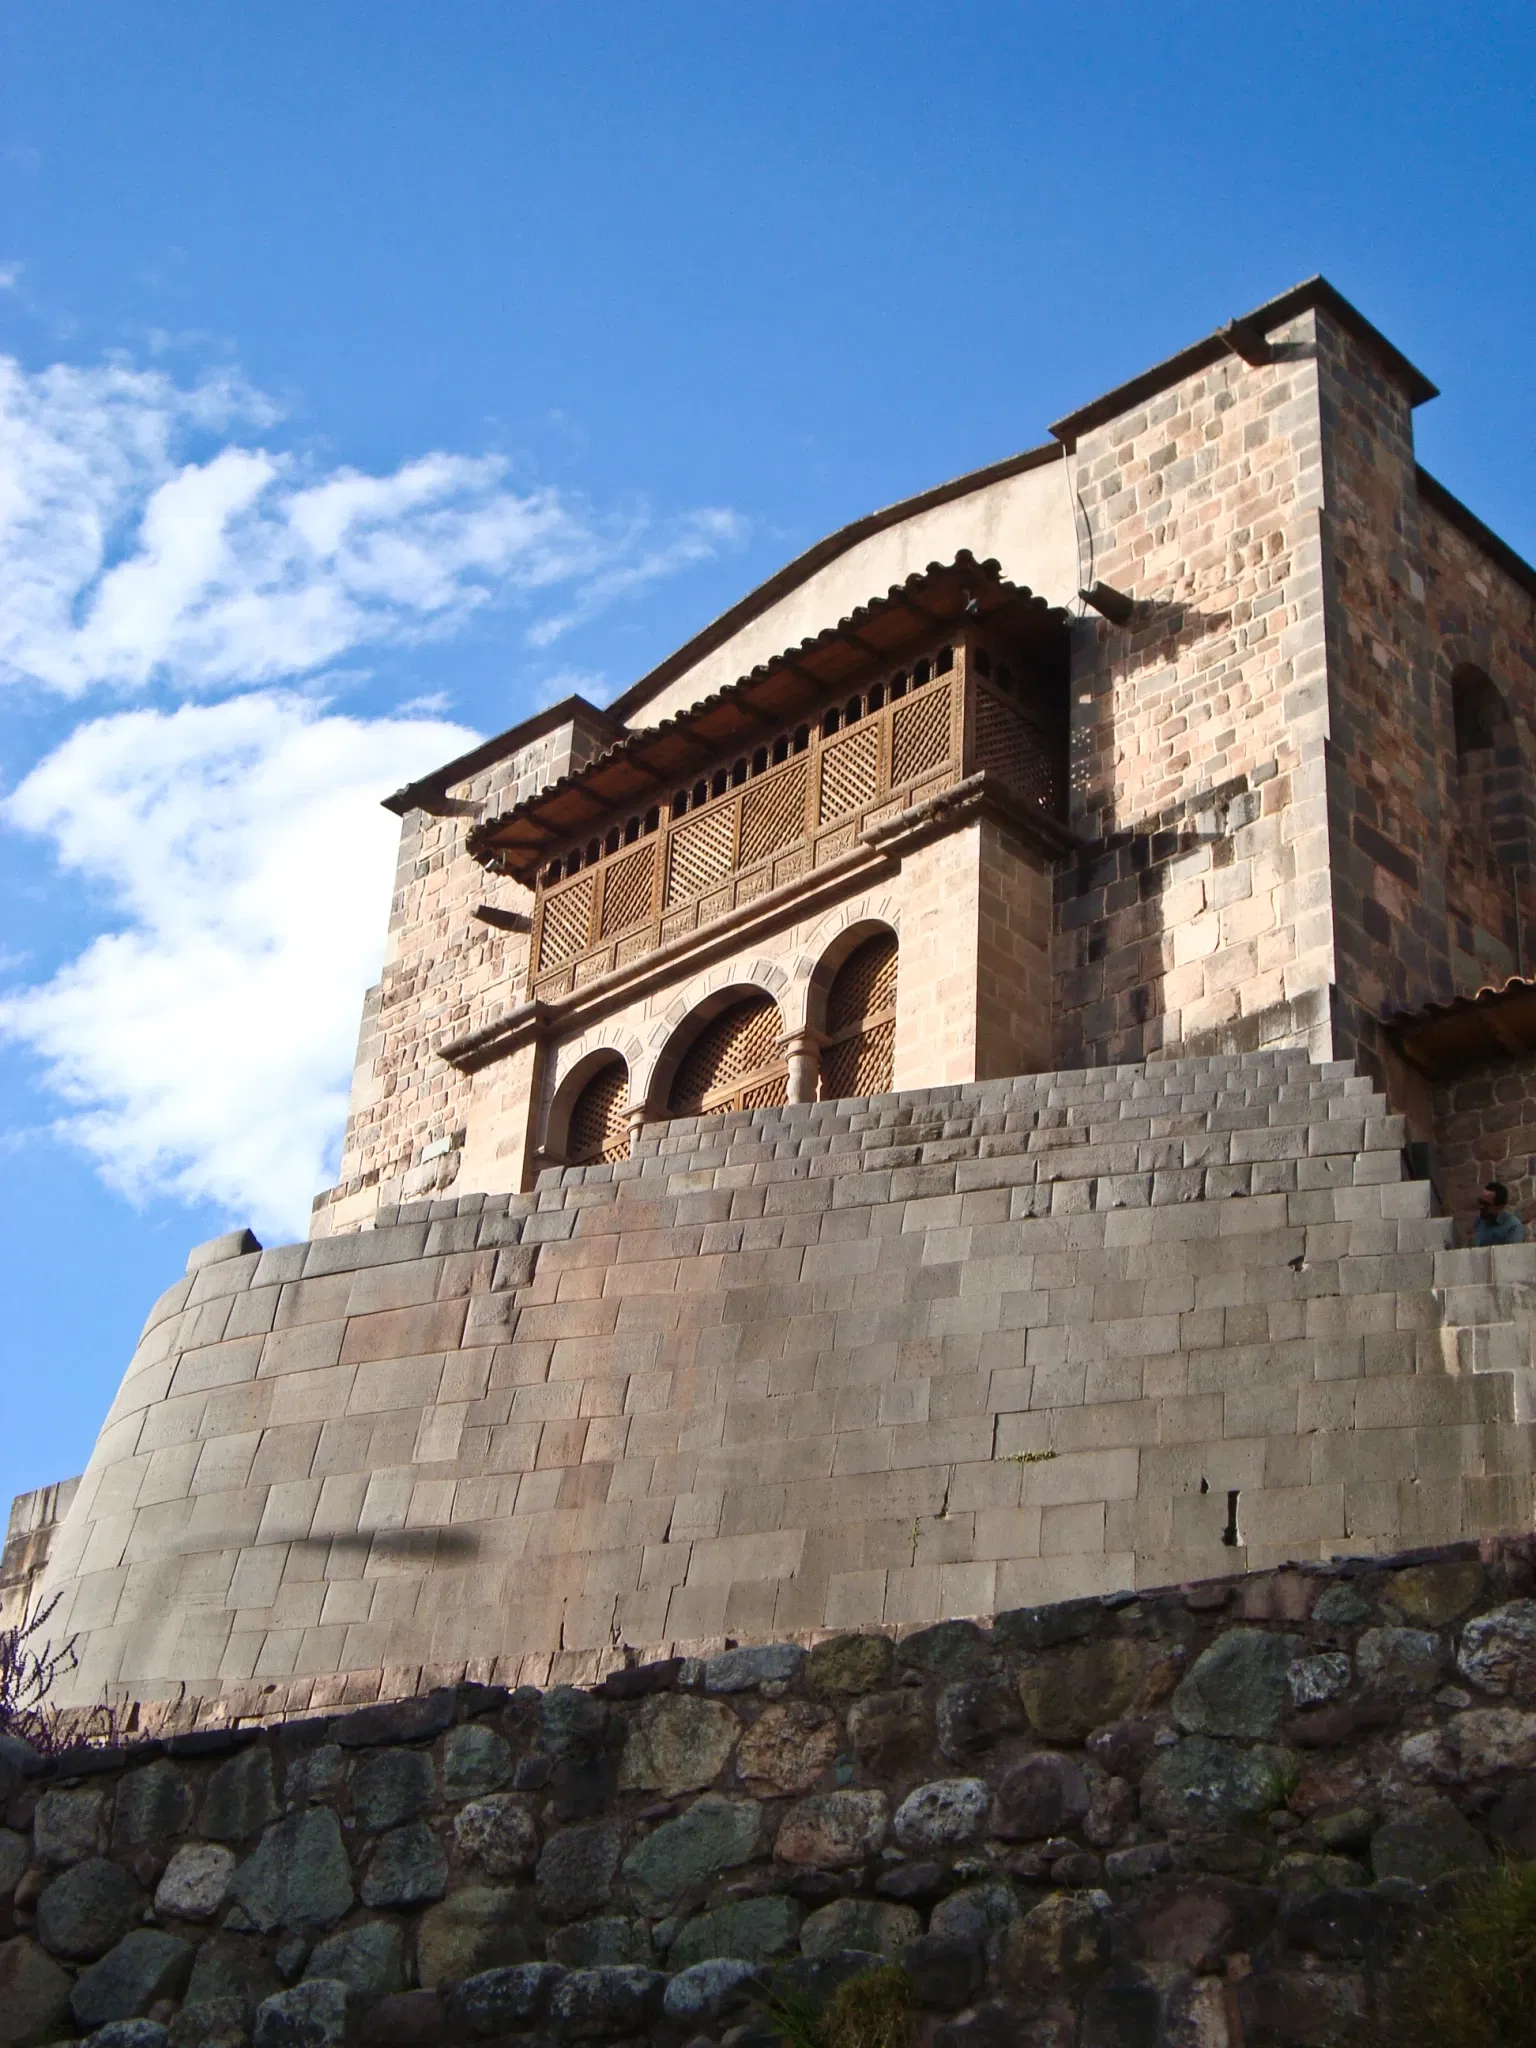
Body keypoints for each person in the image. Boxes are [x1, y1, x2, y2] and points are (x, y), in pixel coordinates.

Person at [1473, 1180, 1527, 1247]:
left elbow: (1510, 1255)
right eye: (1480, 1201)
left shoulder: (1513, 1227)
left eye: (1485, 1204)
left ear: (1499, 1207)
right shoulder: (1480, 1221)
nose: (1481, 1206)